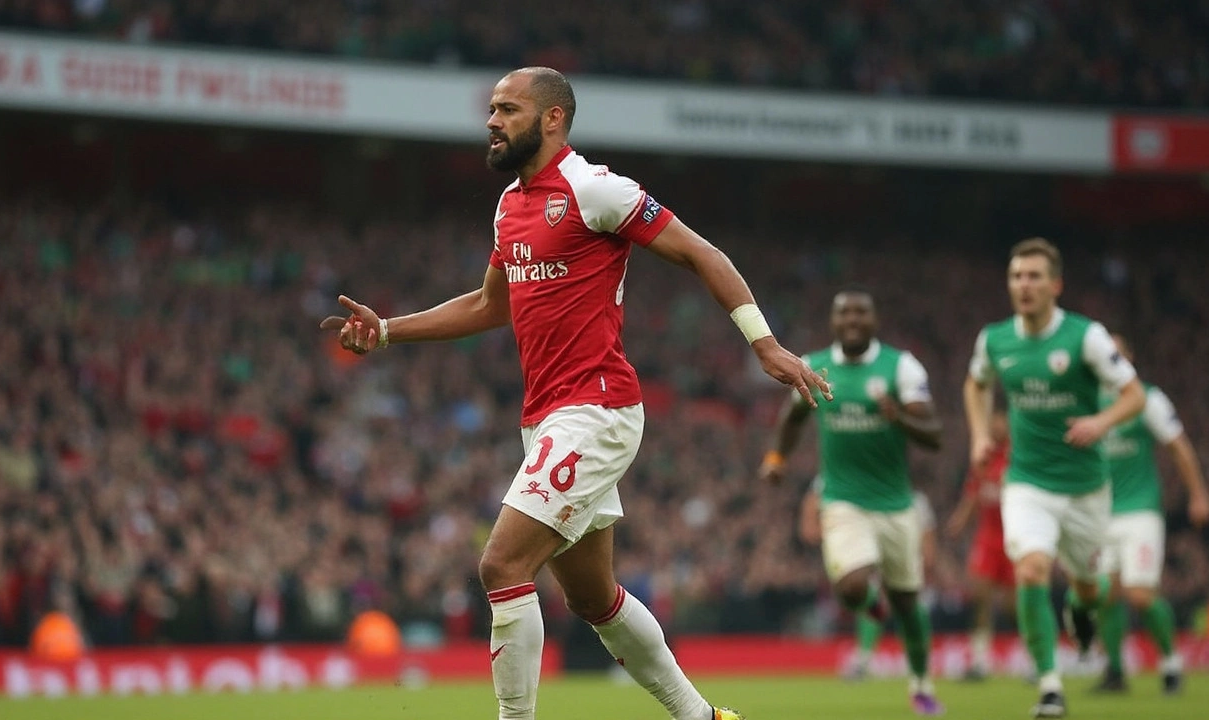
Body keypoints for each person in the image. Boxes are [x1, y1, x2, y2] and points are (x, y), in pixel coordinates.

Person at [322, 66, 830, 720]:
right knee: (594, 599)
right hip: (548, 419)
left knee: (501, 565)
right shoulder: (511, 204)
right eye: (492, 109)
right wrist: (388, 330)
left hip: (596, 410)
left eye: (508, 109)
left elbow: (701, 251)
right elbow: (487, 304)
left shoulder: (594, 188)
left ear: (553, 118)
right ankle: (703, 717)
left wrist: (762, 341)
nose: (492, 120)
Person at [964, 237, 1146, 719]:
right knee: (1032, 568)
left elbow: (1134, 395)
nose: (1024, 285)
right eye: (1017, 276)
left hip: (1086, 487)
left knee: (1089, 588)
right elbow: (975, 383)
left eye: (1034, 276)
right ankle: (1049, 685)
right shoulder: (995, 339)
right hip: (1027, 482)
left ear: (1055, 285)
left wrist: (1100, 423)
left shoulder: (1087, 337)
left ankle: (1081, 613)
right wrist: (981, 434)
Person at [759, 287, 945, 715]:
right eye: (845, 314)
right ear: (834, 321)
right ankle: (870, 603)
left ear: (874, 320)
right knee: (851, 586)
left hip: (898, 505)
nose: (853, 320)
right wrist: (776, 458)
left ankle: (921, 685)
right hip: (843, 500)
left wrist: (900, 417)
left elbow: (934, 435)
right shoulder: (815, 365)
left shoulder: (901, 367)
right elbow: (793, 417)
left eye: (861, 313)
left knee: (909, 603)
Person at [1086, 333, 1209, 694]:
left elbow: (1178, 446)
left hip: (1140, 511)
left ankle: (1171, 664)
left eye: (1117, 353)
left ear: (1129, 359)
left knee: (1140, 594)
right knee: (1106, 593)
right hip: (1100, 514)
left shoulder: (1147, 399)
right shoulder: (1087, 400)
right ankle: (1115, 672)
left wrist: (1198, 494)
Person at [799, 481, 938, 683]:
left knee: (910, 605)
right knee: (858, 590)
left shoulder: (916, 500)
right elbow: (818, 489)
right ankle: (865, 659)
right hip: (871, 556)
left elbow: (928, 543)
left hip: (904, 560)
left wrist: (925, 565)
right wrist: (810, 519)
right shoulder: (849, 480)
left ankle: (920, 668)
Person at [945, 409, 1016, 681]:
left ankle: (1034, 658)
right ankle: (979, 660)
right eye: (992, 422)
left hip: (1013, 539)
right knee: (980, 596)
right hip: (987, 538)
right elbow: (973, 493)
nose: (996, 427)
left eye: (1000, 421)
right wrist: (960, 521)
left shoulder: (1017, 455)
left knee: (1013, 606)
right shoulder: (983, 456)